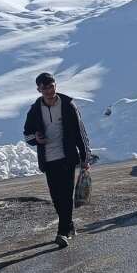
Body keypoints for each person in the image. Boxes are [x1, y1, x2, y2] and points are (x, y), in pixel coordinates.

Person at [22, 72, 92, 248]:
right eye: (44, 87)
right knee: (56, 197)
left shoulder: (68, 105)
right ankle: (69, 224)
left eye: (50, 86)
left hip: (66, 157)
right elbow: (27, 136)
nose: (48, 90)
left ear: (55, 85)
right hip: (48, 159)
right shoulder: (35, 109)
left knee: (67, 195)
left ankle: (62, 232)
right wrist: (36, 138)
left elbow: (80, 132)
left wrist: (85, 157)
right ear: (38, 89)